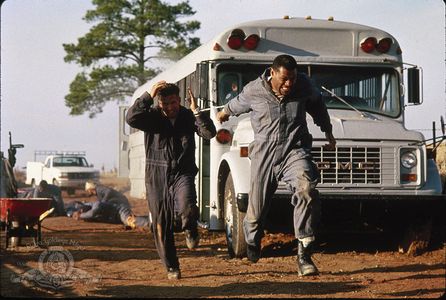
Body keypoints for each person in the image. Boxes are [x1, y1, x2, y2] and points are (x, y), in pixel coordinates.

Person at [216, 54, 336, 276]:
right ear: (272, 73)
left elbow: (318, 106)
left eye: (292, 79)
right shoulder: (254, 90)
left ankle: (304, 254)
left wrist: (328, 131)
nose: (289, 84)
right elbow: (236, 104)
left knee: (306, 189)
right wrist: (224, 113)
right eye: (284, 79)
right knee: (256, 210)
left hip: (295, 150)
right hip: (264, 154)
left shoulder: (304, 85)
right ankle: (252, 240)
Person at [126, 81, 216, 280]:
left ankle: (191, 228)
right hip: (156, 177)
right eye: (165, 104)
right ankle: (172, 266)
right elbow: (131, 118)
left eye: (173, 103)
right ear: (159, 103)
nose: (169, 108)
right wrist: (148, 95)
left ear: (179, 99)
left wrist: (196, 112)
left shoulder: (187, 115)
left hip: (182, 172)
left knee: (187, 206)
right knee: (160, 224)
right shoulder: (151, 117)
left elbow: (209, 133)